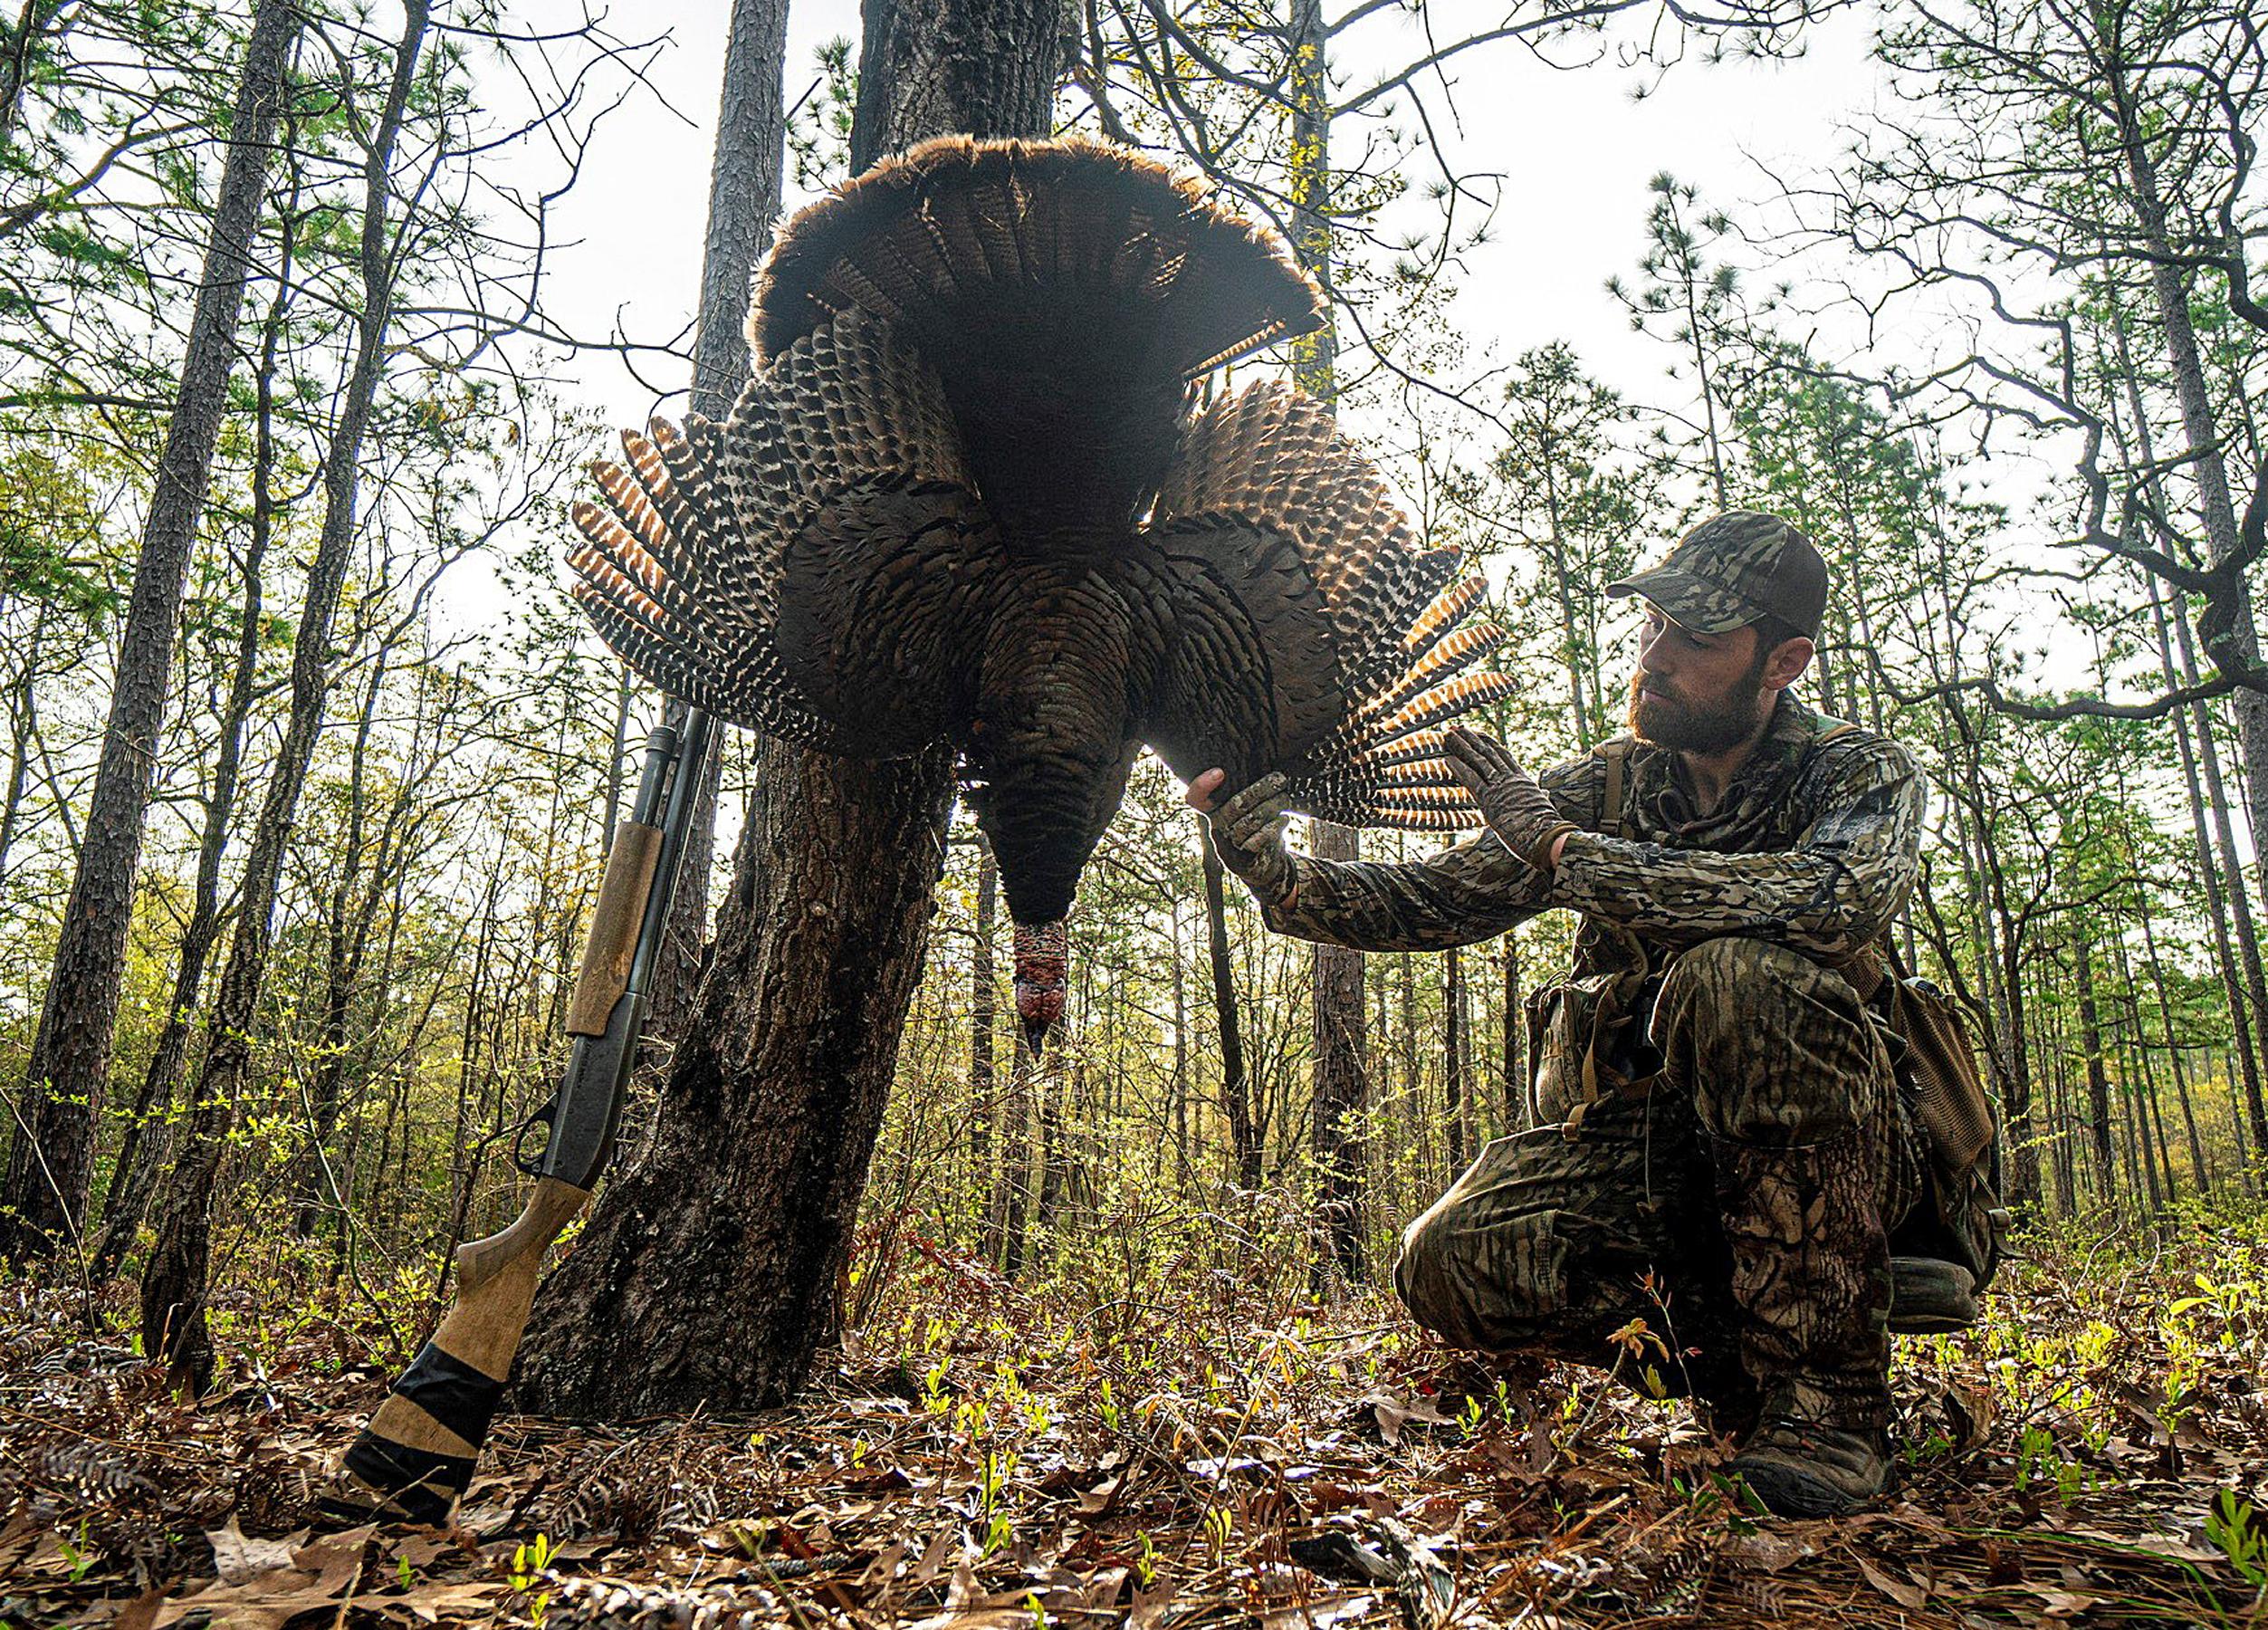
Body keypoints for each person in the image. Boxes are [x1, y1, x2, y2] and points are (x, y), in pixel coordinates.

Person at [1189, 510, 1959, 1518]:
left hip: (1841, 1148)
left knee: (1736, 979)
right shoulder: (1603, 784)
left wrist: (1566, 858)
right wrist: (1277, 874)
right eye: (1652, 627)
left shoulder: (1860, 772)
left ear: (1784, 662)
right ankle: (1747, 1368)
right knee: (1450, 1263)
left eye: (1696, 638)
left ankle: (1834, 1409)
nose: (1656, 657)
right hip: (1650, 1148)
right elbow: (1429, 901)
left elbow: (1828, 900)